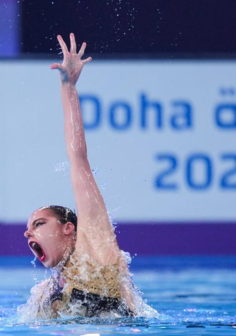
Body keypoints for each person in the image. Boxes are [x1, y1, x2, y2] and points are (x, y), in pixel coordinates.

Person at [20, 34, 153, 320]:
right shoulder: (46, 292)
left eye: (40, 223)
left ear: (69, 229)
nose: (28, 232)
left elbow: (78, 156)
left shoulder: (94, 246)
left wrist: (68, 86)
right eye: (30, 227)